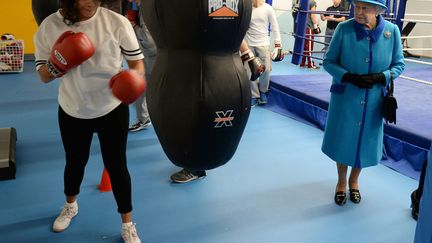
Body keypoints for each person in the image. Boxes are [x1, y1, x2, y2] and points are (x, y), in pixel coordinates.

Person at [33, 0, 145, 242]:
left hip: (111, 108)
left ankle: (127, 223)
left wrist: (134, 80)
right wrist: (58, 64)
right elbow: (43, 76)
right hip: (73, 109)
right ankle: (70, 205)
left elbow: (136, 62)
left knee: (117, 166)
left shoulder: (116, 22)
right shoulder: (50, 26)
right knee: (75, 163)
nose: (92, 1)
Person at [321, 0, 405, 206]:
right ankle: (341, 182)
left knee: (364, 142)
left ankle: (354, 181)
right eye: (356, 7)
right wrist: (347, 76)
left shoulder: (391, 32)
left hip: (374, 100)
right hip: (346, 97)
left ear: (378, 10)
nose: (358, 12)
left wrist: (381, 77)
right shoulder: (344, 29)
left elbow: (399, 64)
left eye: (364, 8)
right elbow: (328, 61)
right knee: (343, 140)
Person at [169, 41, 265, 184]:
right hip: (196, 65)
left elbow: (233, 27)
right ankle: (196, 165)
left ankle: (196, 168)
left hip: (214, 68)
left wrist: (249, 56)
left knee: (199, 115)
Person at [124, 0, 156, 132]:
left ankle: (144, 118)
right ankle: (143, 118)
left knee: (141, 85)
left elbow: (149, 41)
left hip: (150, 55)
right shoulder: (144, 6)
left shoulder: (146, 9)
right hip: (153, 54)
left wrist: (133, 25)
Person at [244, 0, 281, 106]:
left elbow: (275, 26)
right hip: (248, 43)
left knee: (267, 69)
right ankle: (254, 95)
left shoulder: (267, 8)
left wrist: (278, 44)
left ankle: (263, 91)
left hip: (263, 43)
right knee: (250, 71)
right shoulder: (247, 8)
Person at [300, 0, 321, 69]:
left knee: (304, 46)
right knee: (309, 47)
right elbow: (313, 15)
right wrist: (316, 25)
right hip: (309, 27)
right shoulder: (312, 2)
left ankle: (302, 63)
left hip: (302, 27)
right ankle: (310, 64)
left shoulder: (303, 1)